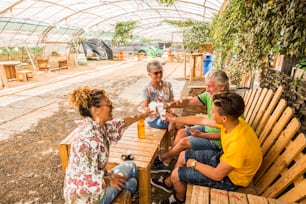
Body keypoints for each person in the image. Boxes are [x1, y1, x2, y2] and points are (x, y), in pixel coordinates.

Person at [152, 92, 263, 204]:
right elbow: (200, 120)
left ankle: (179, 198)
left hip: (231, 179)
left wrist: (195, 164)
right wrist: (175, 120)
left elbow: (217, 175)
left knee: (177, 174)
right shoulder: (234, 122)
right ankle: (171, 184)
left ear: (224, 118)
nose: (210, 113)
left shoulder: (238, 145)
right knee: (182, 155)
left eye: (213, 112)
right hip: (225, 161)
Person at [63, 86, 151, 204]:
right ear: (96, 110)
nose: (111, 106)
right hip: (85, 198)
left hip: (97, 180)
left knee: (131, 167)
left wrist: (142, 115)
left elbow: (121, 123)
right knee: (131, 183)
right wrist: (109, 179)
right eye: (108, 103)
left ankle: (125, 193)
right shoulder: (87, 139)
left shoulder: (99, 126)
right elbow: (85, 180)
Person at [151, 70, 229, 173]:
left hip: (217, 141)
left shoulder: (228, 106)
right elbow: (189, 101)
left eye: (210, 86)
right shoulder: (211, 95)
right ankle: (166, 163)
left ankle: (163, 158)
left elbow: (226, 135)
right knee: (181, 133)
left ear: (222, 86)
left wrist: (201, 135)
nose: (207, 89)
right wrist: (170, 105)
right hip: (207, 129)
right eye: (206, 85)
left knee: (184, 142)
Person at [141, 60, 182, 131]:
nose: (159, 75)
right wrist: (147, 110)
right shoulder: (147, 88)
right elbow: (145, 106)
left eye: (161, 72)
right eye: (156, 73)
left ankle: (175, 140)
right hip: (154, 118)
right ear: (149, 74)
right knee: (180, 124)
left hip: (168, 115)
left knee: (183, 122)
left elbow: (172, 100)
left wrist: (172, 110)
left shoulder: (168, 85)